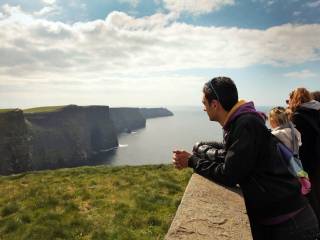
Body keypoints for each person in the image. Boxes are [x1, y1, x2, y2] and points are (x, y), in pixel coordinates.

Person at [173, 77, 319, 240]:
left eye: (204, 104)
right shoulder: (241, 121)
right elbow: (233, 157)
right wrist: (199, 149)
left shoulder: (245, 125)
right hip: (285, 219)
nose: (203, 108)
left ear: (215, 104)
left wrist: (191, 161)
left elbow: (229, 173)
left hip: (292, 226)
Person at [287, 88, 320, 223]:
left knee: (310, 201)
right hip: (317, 161)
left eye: (288, 101)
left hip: (306, 164)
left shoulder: (297, 117)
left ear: (295, 100)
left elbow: (294, 145)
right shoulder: (316, 113)